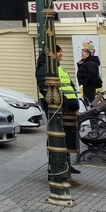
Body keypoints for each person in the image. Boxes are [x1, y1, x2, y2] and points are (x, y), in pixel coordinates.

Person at [36, 45, 81, 174]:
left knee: (65, 135)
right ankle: (55, 164)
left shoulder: (59, 67)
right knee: (56, 134)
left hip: (68, 107)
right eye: (58, 51)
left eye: (61, 51)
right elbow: (44, 87)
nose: (61, 54)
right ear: (50, 53)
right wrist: (57, 104)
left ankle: (66, 163)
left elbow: (69, 86)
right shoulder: (45, 67)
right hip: (56, 107)